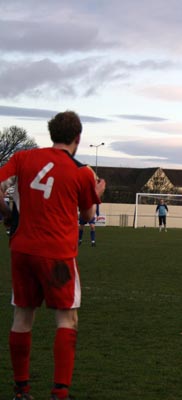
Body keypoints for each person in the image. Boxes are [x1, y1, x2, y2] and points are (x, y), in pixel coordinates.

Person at [0, 110, 106, 400]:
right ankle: (60, 392)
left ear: (51, 133)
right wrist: (97, 193)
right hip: (58, 254)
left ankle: (21, 390)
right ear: (78, 138)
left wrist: (7, 214)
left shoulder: (23, 158)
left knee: (22, 317)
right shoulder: (82, 171)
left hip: (22, 250)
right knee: (67, 319)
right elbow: (87, 216)